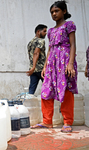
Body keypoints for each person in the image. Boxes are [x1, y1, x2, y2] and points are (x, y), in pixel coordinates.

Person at [31, 0, 78, 133]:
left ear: (64, 11)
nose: (54, 14)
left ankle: (67, 122)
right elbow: (50, 49)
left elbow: (73, 44)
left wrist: (70, 64)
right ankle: (47, 121)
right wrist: (45, 66)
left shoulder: (69, 25)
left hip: (65, 61)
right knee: (46, 90)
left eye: (56, 11)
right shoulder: (50, 31)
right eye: (52, 12)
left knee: (67, 91)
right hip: (52, 63)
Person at [26, 24, 47, 95]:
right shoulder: (41, 41)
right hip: (41, 69)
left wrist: (32, 67)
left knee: (31, 89)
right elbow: (36, 53)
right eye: (44, 31)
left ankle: (27, 104)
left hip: (33, 70)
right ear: (38, 31)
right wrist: (34, 66)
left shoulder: (30, 43)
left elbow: (30, 56)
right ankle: (50, 105)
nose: (46, 33)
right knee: (48, 87)